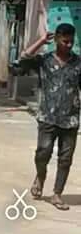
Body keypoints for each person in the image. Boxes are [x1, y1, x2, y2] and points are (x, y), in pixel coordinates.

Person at [20, 23, 81, 210]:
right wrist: (40, 41)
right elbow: (24, 58)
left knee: (65, 158)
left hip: (70, 119)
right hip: (47, 117)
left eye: (71, 42)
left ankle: (57, 194)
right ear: (56, 40)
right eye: (65, 41)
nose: (68, 45)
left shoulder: (78, 63)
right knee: (43, 153)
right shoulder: (44, 60)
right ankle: (40, 176)